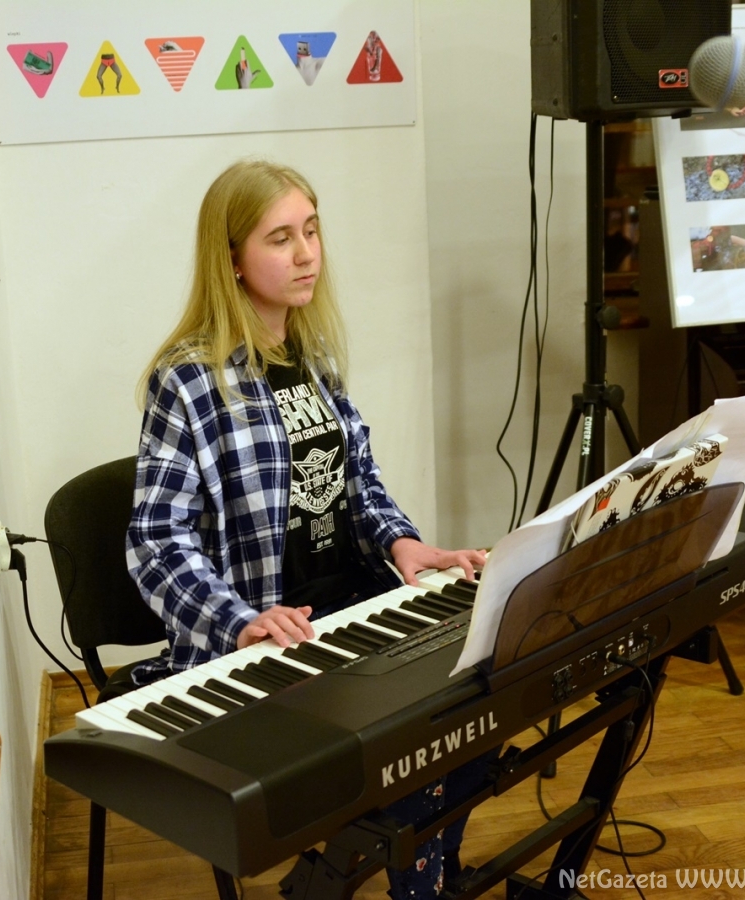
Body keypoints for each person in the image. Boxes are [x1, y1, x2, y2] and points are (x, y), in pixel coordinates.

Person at [127, 159, 489, 898]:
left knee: (478, 708)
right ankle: (376, 879)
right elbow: (156, 542)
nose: (306, 254)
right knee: (414, 752)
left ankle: (400, 873)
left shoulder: (312, 356)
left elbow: (359, 484)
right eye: (280, 238)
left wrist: (403, 542)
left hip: (351, 606)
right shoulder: (189, 380)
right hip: (270, 637)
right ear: (232, 259)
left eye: (312, 231)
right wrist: (240, 620)